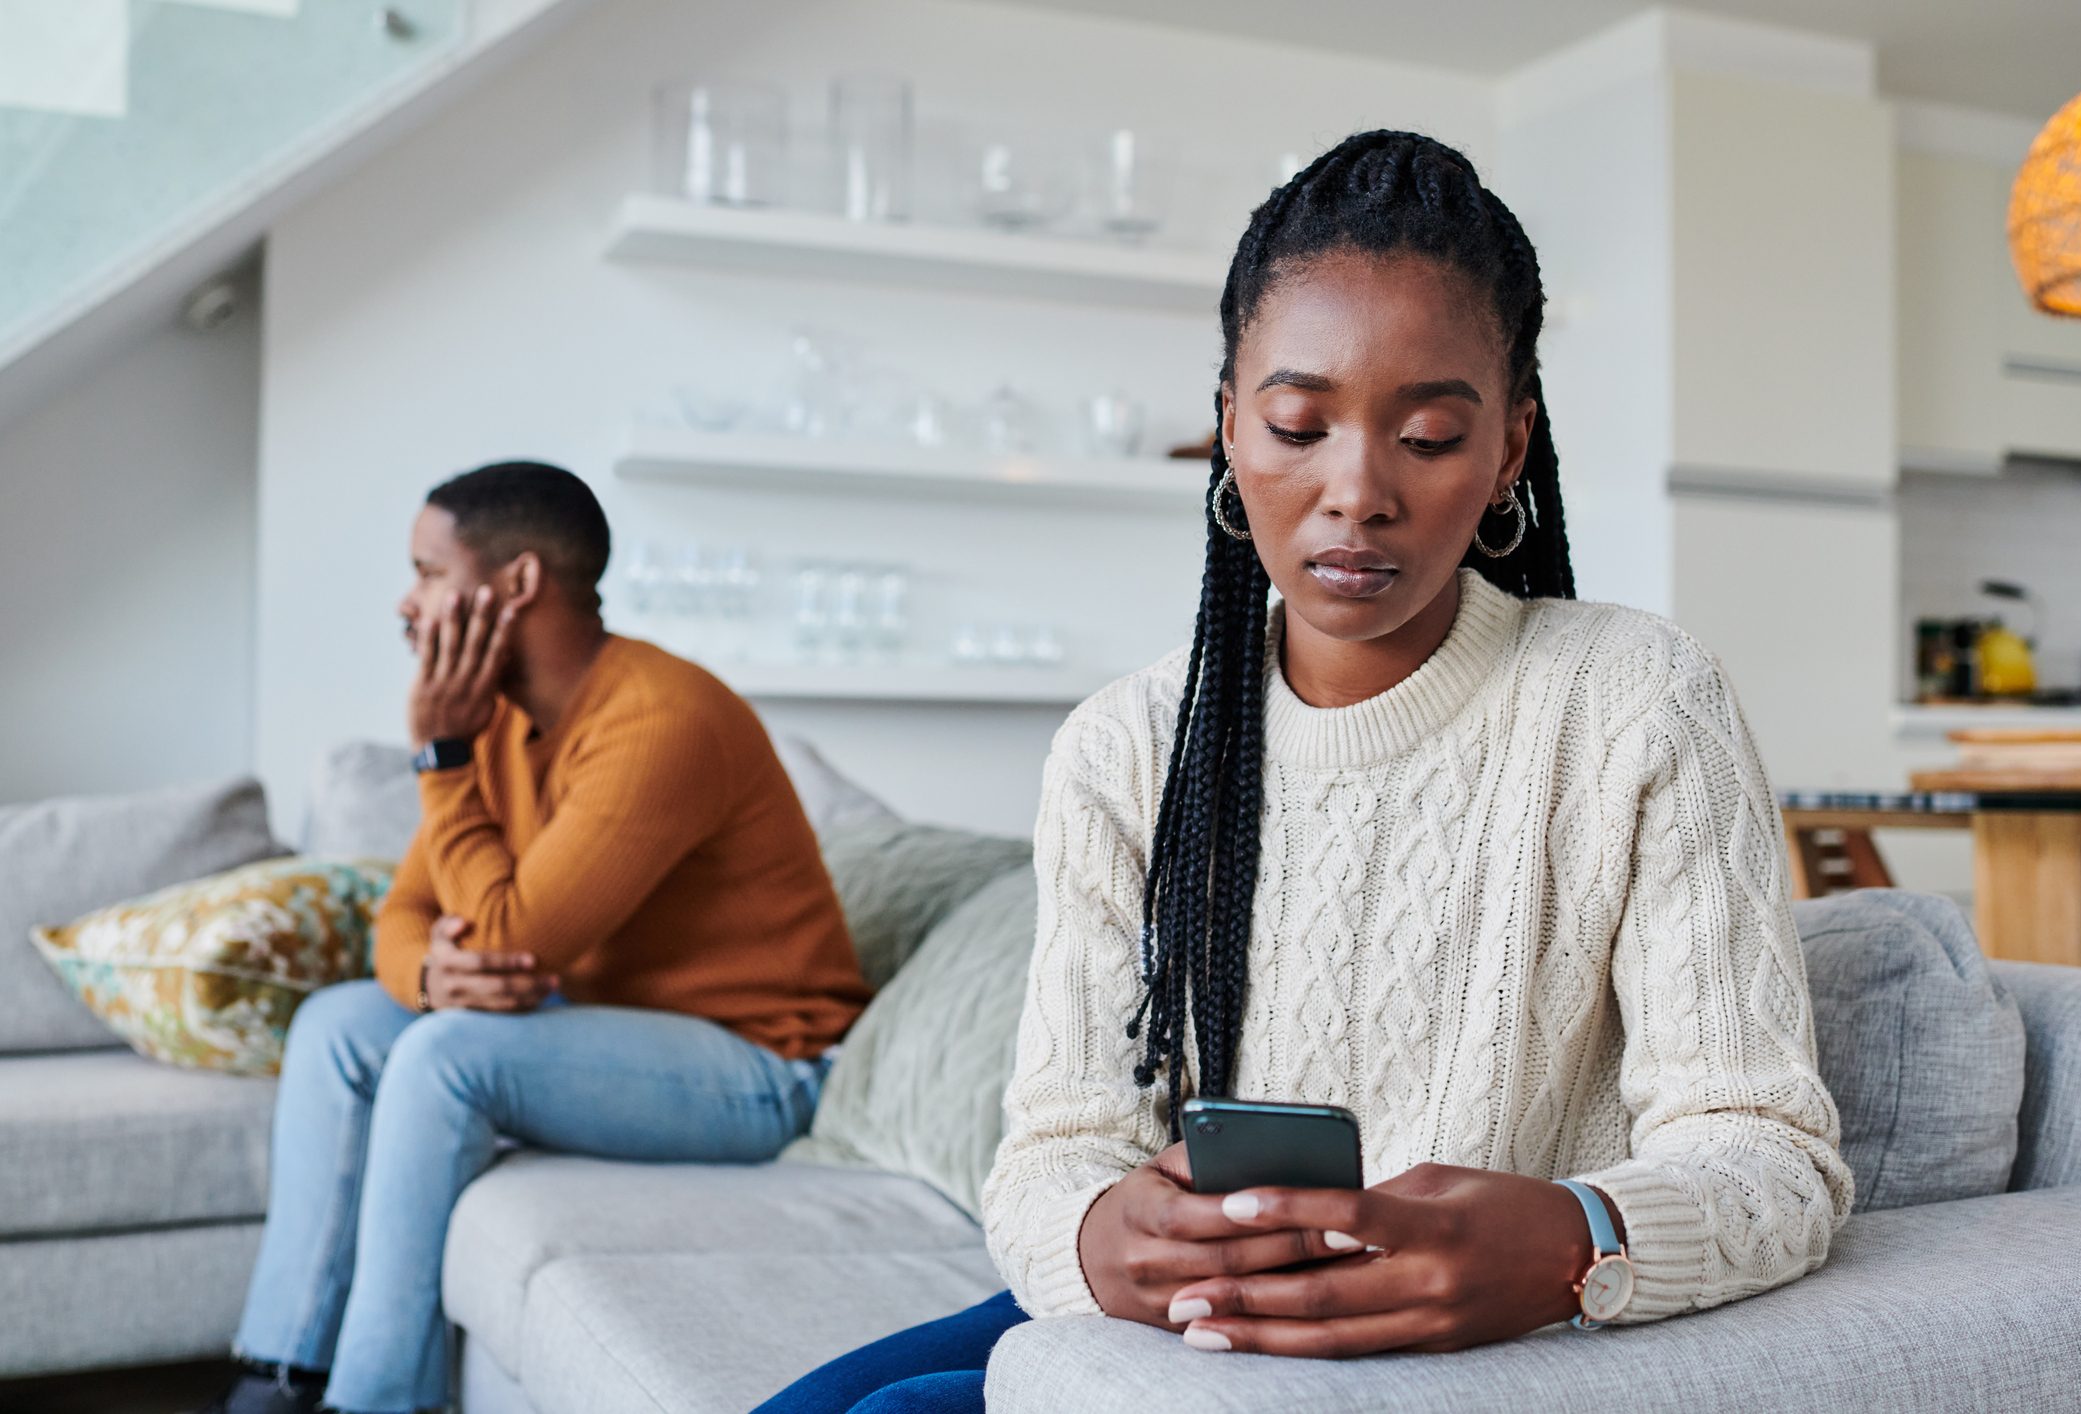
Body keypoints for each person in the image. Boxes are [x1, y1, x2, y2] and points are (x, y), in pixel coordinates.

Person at [761, 129, 1852, 1413]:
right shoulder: (1127, 746)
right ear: (1229, 430)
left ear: (1511, 449)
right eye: (1296, 423)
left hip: (1449, 1348)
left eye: (1432, 436)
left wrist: (1575, 1240)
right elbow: (1057, 1150)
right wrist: (1097, 1233)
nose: (1357, 491)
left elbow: (1774, 1156)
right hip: (1184, 1320)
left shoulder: (1639, 702)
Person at [205, 462, 872, 1414]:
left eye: (428, 572)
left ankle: (375, 1403)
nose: (407, 601)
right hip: (602, 1029)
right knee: (339, 1024)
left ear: (515, 584)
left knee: (445, 1058)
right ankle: (279, 1377)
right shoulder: (493, 716)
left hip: (760, 1066)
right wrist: (430, 975)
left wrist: (439, 760)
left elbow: (517, 936)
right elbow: (401, 915)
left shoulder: (660, 718)